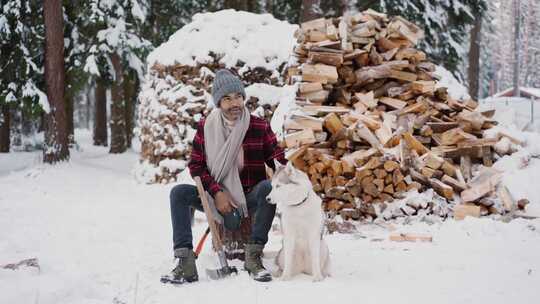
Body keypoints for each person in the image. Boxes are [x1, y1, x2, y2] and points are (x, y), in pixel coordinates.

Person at [167, 69, 286, 283]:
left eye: (239, 97)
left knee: (269, 188)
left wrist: (292, 169)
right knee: (179, 193)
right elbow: (196, 165)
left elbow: (277, 159)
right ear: (218, 103)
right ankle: (185, 262)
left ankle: (253, 256)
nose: (235, 104)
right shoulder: (206, 127)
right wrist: (217, 192)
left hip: (248, 197)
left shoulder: (258, 125)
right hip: (215, 197)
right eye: (227, 98)